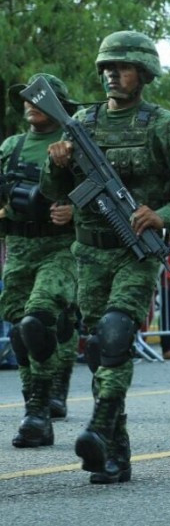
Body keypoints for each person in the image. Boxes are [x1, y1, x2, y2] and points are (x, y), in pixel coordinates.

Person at [43, 31, 170, 483]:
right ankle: (116, 453)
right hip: (89, 254)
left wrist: (162, 214)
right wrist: (55, 164)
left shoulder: (163, 126)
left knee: (117, 335)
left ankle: (98, 427)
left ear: (144, 73)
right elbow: (55, 195)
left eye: (122, 67)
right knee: (100, 350)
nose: (111, 74)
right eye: (106, 68)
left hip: (135, 253)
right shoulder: (81, 122)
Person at [2, 73, 80, 448]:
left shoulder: (74, 144)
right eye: (26, 98)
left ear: (58, 104)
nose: (30, 103)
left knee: (37, 319)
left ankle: (37, 409)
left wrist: (75, 212)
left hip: (60, 249)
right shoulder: (11, 146)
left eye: (40, 98)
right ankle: (39, 396)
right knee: (20, 330)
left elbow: (108, 194)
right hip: (18, 249)